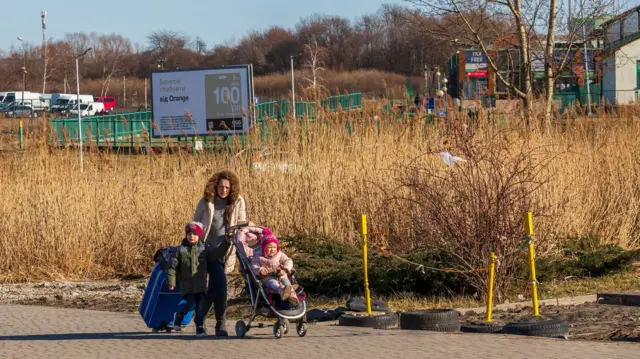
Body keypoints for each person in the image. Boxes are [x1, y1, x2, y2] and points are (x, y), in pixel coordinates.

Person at [193, 169, 247, 336]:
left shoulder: (237, 201)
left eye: (227, 188)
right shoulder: (206, 202)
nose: (223, 190)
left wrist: (245, 227)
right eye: (221, 187)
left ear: (231, 189)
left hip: (226, 249)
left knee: (215, 287)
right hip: (206, 250)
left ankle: (200, 319)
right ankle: (220, 324)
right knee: (221, 284)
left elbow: (241, 222)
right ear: (215, 186)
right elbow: (195, 224)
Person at [167, 221, 230, 337]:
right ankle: (179, 314)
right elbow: (172, 267)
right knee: (191, 305)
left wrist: (226, 242)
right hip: (187, 286)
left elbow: (216, 254)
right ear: (186, 235)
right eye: (189, 233)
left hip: (200, 286)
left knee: (200, 306)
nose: (192, 236)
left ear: (199, 236)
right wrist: (172, 281)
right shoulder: (180, 250)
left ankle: (199, 328)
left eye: (195, 234)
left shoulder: (205, 248)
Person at [251, 228, 299, 307]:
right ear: (264, 248)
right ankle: (281, 290)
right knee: (273, 282)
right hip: (267, 276)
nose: (272, 249)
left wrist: (285, 269)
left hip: (279, 273)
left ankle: (293, 296)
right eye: (269, 247)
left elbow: (288, 260)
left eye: (274, 247)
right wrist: (260, 270)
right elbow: (253, 265)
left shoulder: (279, 254)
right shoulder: (258, 256)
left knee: (285, 279)